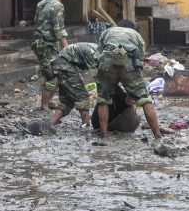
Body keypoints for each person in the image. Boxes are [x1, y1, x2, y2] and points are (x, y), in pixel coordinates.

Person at [94, 22, 163, 150]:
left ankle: (104, 137)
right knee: (144, 100)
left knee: (103, 100)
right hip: (129, 66)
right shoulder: (136, 35)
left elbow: (99, 53)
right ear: (131, 28)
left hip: (107, 64)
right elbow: (140, 57)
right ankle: (158, 136)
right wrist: (133, 85)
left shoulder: (107, 32)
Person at [33, 0, 71, 111]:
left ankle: (47, 102)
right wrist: (68, 48)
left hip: (38, 44)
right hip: (48, 45)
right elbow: (59, 29)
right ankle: (44, 105)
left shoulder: (41, 3)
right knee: (52, 76)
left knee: (49, 73)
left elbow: (36, 22)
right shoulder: (57, 5)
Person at [50, 42, 99, 128]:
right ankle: (86, 125)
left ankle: (50, 124)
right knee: (82, 96)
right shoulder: (95, 53)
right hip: (64, 65)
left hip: (61, 64)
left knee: (68, 100)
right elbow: (94, 75)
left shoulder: (99, 52)